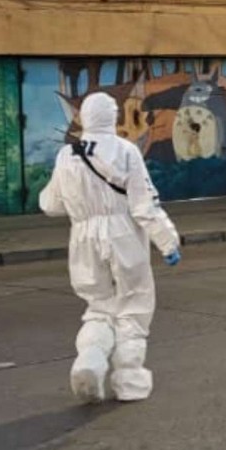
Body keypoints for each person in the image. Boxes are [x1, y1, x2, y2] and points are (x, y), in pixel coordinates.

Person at [39, 92, 182, 404]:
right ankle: (129, 381)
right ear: (112, 117)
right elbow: (144, 205)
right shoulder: (125, 150)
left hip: (83, 238)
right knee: (133, 305)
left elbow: (50, 204)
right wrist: (167, 241)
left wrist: (82, 205)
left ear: (84, 117)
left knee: (99, 306)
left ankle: (90, 360)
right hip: (123, 235)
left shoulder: (67, 155)